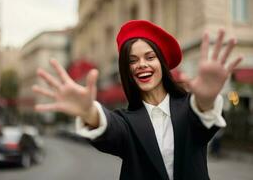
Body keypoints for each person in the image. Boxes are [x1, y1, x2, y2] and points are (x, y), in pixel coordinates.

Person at [32, 20, 242, 180]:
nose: (141, 64)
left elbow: (204, 120)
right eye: (132, 61)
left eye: (150, 57)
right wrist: (88, 112)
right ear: (127, 70)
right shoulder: (125, 121)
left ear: (163, 64)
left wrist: (206, 99)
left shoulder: (190, 108)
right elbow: (111, 129)